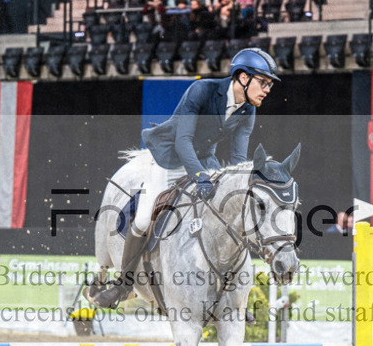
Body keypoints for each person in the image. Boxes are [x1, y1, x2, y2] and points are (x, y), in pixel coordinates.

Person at [91, 48, 280, 309]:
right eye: (263, 81)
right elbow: (183, 141)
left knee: (228, 214)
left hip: (204, 162)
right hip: (170, 158)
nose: (267, 89)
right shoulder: (202, 90)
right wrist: (199, 176)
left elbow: (238, 158)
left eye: (269, 84)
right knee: (146, 216)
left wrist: (236, 188)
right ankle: (123, 284)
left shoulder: (248, 110)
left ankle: (230, 296)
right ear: (243, 77)